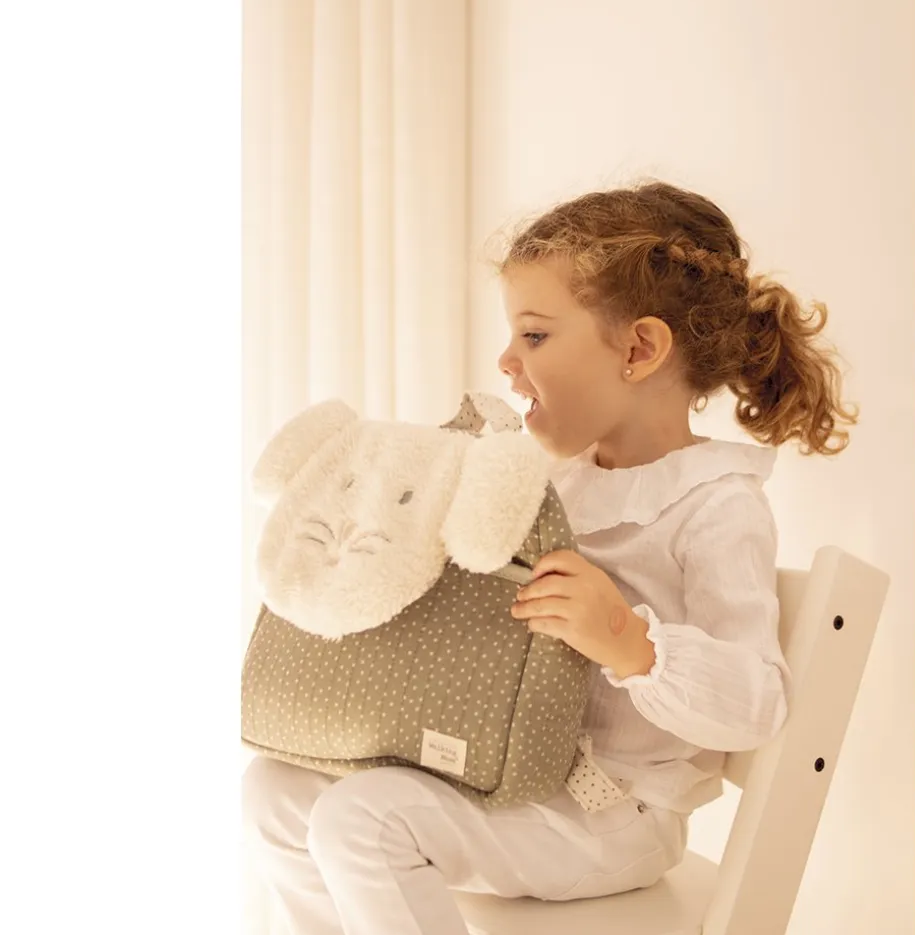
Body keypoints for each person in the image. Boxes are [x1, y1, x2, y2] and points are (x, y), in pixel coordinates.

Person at [241, 180, 857, 935]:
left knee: (361, 819)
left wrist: (628, 640)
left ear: (639, 349)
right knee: (273, 790)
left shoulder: (716, 506)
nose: (506, 360)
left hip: (609, 815)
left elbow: (755, 705)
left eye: (534, 336)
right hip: (505, 777)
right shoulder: (552, 484)